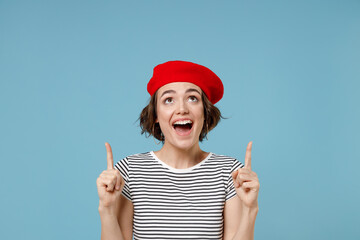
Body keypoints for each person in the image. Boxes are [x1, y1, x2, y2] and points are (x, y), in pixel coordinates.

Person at [96, 60, 260, 240]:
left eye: (192, 98)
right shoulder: (130, 170)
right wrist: (107, 210)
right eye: (168, 100)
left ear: (205, 112)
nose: (182, 109)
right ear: (156, 115)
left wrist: (250, 210)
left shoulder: (230, 172)